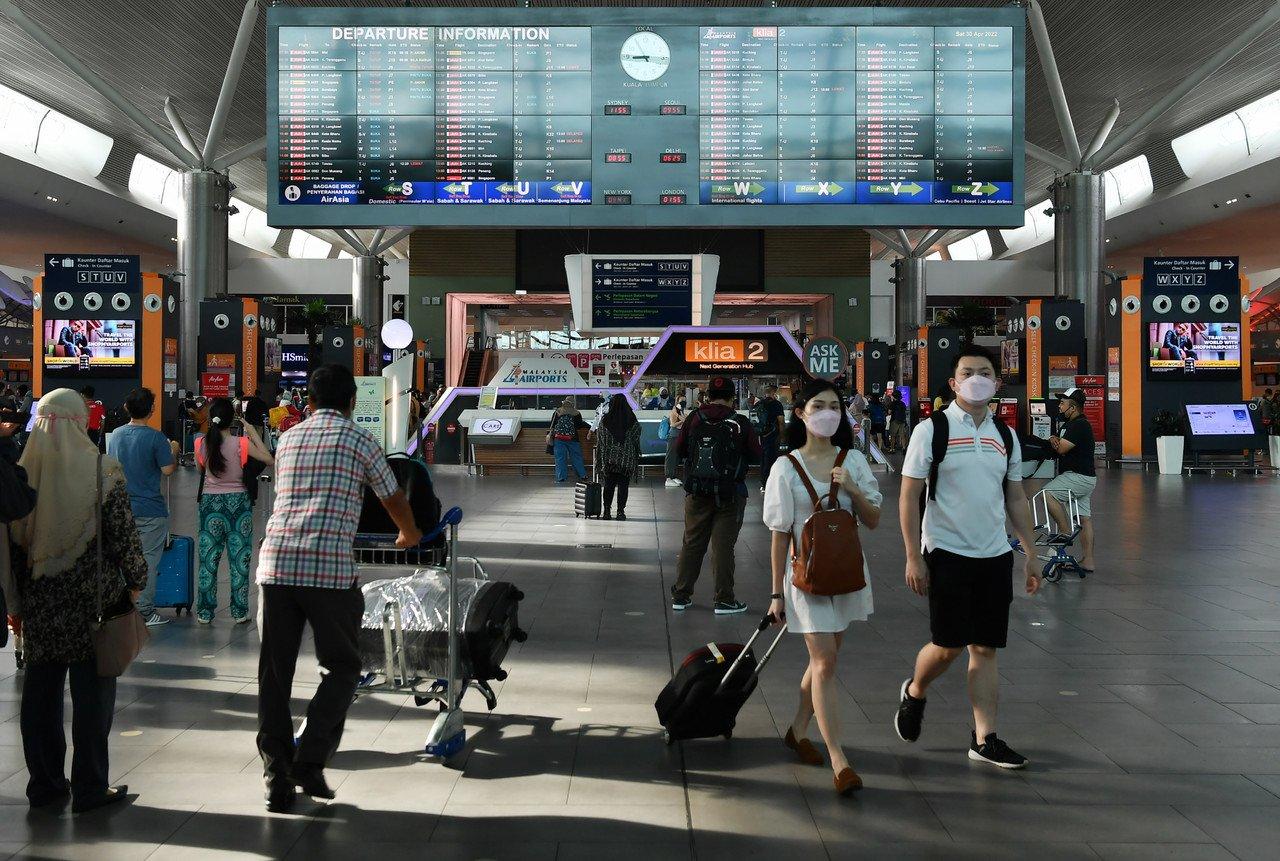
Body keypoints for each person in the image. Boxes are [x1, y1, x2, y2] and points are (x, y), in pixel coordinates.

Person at [255, 364, 422, 812]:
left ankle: (276, 777)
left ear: (308, 402)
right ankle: (309, 758)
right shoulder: (360, 441)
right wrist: (408, 534)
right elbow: (392, 495)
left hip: (277, 566)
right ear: (352, 402)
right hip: (327, 570)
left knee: (274, 675)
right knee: (343, 667)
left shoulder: (288, 439)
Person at [895, 345, 1040, 769]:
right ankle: (915, 691)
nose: (976, 377)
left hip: (994, 554)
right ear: (954, 383)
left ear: (997, 383)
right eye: (967, 371)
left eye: (984, 372)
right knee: (948, 646)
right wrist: (912, 556)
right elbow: (908, 496)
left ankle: (985, 738)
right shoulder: (932, 430)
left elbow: (1015, 495)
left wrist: (1031, 553)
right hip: (946, 552)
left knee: (986, 647)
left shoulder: (1006, 435)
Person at [5, 388, 146, 813]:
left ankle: (45, 785)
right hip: (95, 605)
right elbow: (124, 536)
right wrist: (136, 580)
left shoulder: (18, 473)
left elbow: (11, 548)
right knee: (93, 700)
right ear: (82, 420)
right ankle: (89, 787)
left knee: (40, 698)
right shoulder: (104, 470)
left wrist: (15, 604)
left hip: (41, 605)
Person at [764, 379, 881, 795]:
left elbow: (872, 519)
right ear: (801, 413)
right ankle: (838, 759)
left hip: (846, 575)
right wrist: (776, 593)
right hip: (804, 579)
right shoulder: (785, 467)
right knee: (826, 663)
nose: (828, 412)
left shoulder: (855, 462)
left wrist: (849, 486)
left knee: (822, 663)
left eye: (835, 405)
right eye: (819, 405)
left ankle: (798, 729)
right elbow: (779, 533)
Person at [670, 376, 761, 615]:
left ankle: (681, 595)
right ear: (733, 397)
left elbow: (679, 450)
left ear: (707, 396)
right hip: (730, 494)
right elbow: (756, 454)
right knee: (723, 547)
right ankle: (724, 599)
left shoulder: (694, 419)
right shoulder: (739, 422)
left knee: (691, 543)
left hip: (697, 492)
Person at [195, 398, 274, 625]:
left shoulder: (201, 443)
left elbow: (201, 469)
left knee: (208, 558)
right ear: (232, 420)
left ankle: (204, 611)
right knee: (240, 559)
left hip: (210, 506)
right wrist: (251, 430)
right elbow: (268, 458)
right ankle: (239, 612)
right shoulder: (241, 443)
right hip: (238, 505)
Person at [106, 388, 180, 627]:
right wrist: (175, 451)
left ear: (127, 408)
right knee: (148, 559)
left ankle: (120, 608)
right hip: (150, 510)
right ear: (152, 410)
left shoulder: (115, 435)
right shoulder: (156, 438)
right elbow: (168, 470)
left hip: (121, 508)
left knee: (121, 559)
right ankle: (144, 612)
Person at [1042, 388, 1097, 572]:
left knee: (1048, 494)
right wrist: (1054, 439)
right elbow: (1058, 442)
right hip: (1087, 478)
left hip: (1077, 477)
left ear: (1072, 407)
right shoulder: (1073, 424)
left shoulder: (1078, 425)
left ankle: (1064, 532)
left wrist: (1054, 441)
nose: (1059, 406)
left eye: (1062, 403)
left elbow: (1061, 448)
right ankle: (1088, 561)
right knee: (1084, 519)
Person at [596, 394, 642, 521]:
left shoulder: (605, 420)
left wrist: (603, 457)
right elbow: (636, 435)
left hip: (609, 460)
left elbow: (601, 439)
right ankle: (620, 512)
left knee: (609, 485)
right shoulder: (631, 419)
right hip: (626, 460)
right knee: (623, 486)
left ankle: (606, 511)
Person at [547, 397, 588, 484]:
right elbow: (579, 425)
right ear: (573, 404)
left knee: (560, 458)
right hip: (573, 438)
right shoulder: (576, 413)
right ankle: (582, 475)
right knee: (576, 457)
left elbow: (552, 424)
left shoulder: (557, 411)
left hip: (559, 438)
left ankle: (561, 478)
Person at [754, 385, 786, 492]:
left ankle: (763, 483)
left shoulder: (758, 404)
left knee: (763, 459)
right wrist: (782, 437)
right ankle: (769, 484)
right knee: (771, 459)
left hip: (760, 436)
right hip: (772, 436)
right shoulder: (777, 404)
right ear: (773, 393)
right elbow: (781, 422)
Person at [664, 397, 688, 488]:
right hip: (673, 436)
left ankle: (673, 476)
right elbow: (672, 424)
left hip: (680, 436)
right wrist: (680, 418)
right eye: (682, 401)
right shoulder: (674, 411)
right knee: (671, 456)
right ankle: (668, 478)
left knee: (677, 456)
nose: (683, 402)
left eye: (684, 400)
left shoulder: (681, 412)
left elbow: (685, 421)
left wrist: (681, 418)